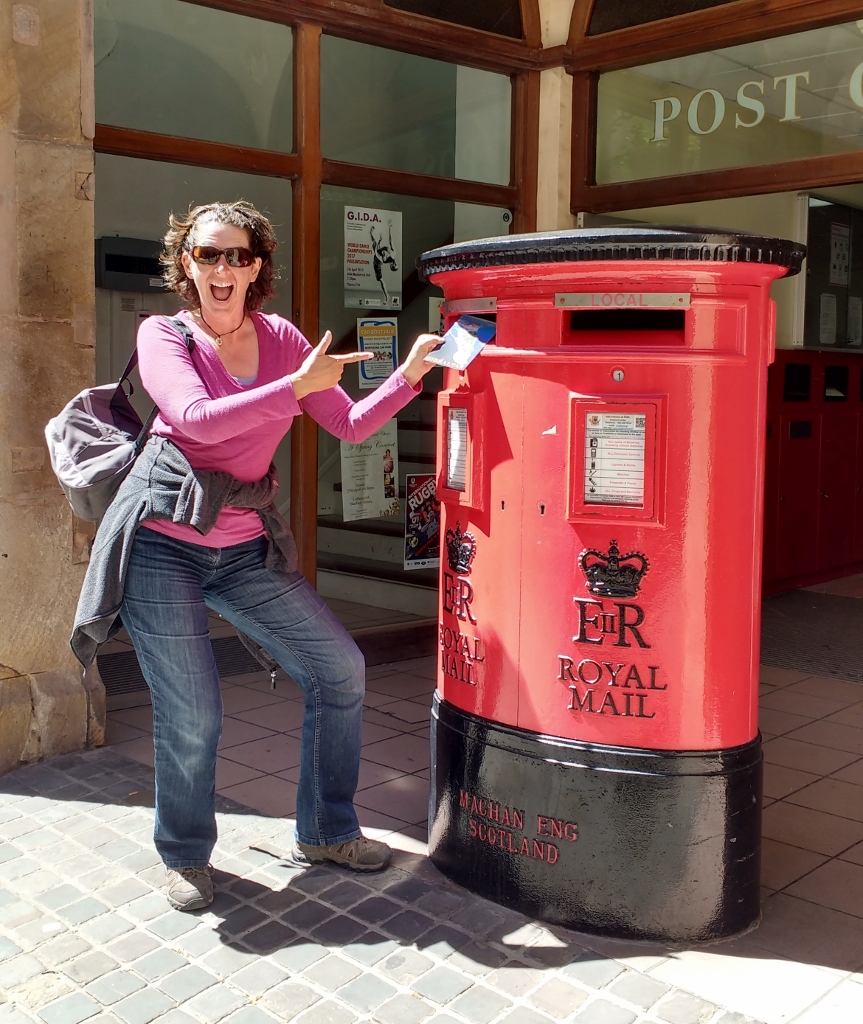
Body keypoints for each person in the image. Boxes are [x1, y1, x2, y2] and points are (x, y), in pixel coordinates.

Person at [85, 200, 439, 911]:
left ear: (256, 267)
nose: (223, 268)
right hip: (163, 542)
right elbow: (191, 417)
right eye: (208, 254)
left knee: (339, 668)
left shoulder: (280, 337)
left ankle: (326, 830)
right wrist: (293, 388)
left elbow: (344, 421)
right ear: (186, 263)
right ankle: (185, 852)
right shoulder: (165, 335)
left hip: (244, 545)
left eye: (237, 255)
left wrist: (407, 376)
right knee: (195, 712)